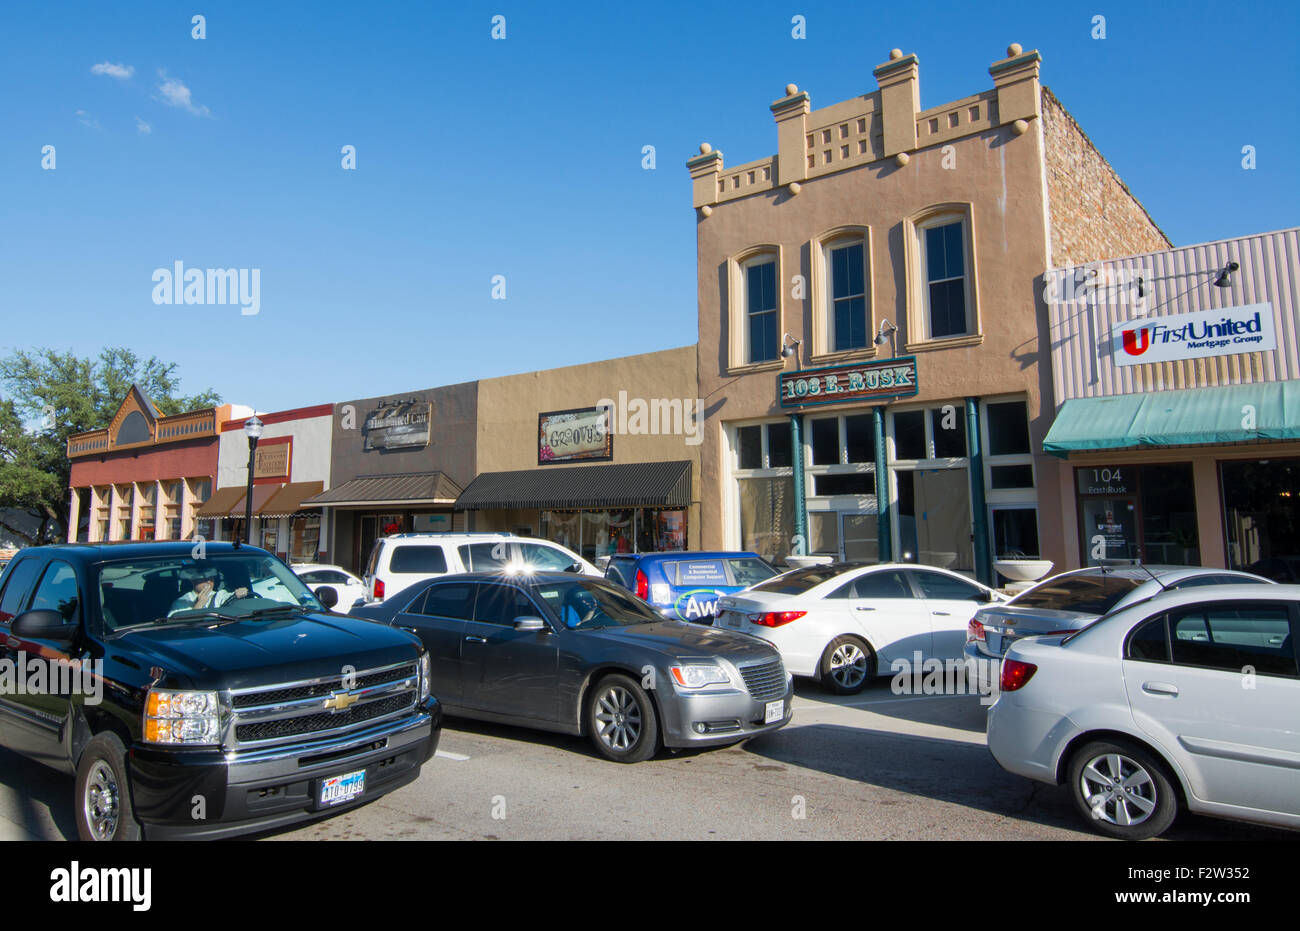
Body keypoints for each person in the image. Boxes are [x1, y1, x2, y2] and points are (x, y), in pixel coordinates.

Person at [168, 565, 250, 616]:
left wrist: (240, 592)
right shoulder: (182, 602)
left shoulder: (219, 595)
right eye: (203, 578)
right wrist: (198, 605)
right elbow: (176, 625)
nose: (208, 581)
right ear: (193, 581)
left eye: (211, 578)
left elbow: (231, 597)